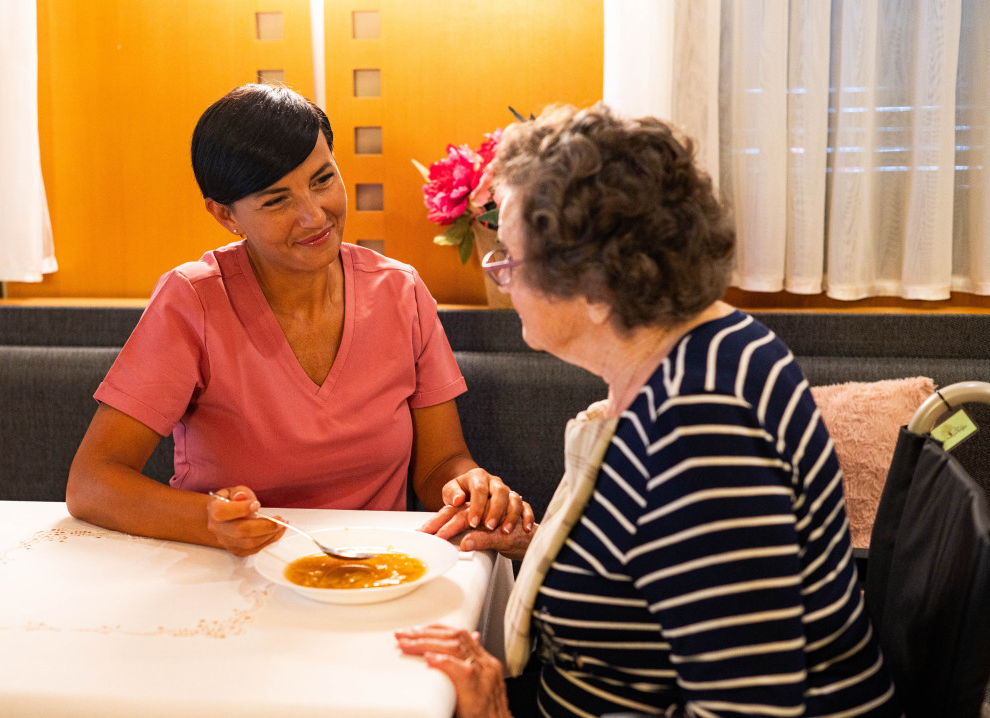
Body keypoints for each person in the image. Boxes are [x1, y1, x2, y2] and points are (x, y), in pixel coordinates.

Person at [397, 105, 900, 717]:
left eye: (509, 258)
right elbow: (660, 563)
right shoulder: (721, 340)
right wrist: (544, 543)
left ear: (597, 286)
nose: (500, 278)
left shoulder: (698, 434)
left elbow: (750, 708)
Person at [67, 84, 532, 556]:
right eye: (276, 201)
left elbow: (440, 465)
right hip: (229, 567)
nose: (314, 215)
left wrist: (470, 487)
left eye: (323, 179)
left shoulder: (400, 292)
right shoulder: (193, 301)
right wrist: (210, 523)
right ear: (226, 215)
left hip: (372, 566)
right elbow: (92, 481)